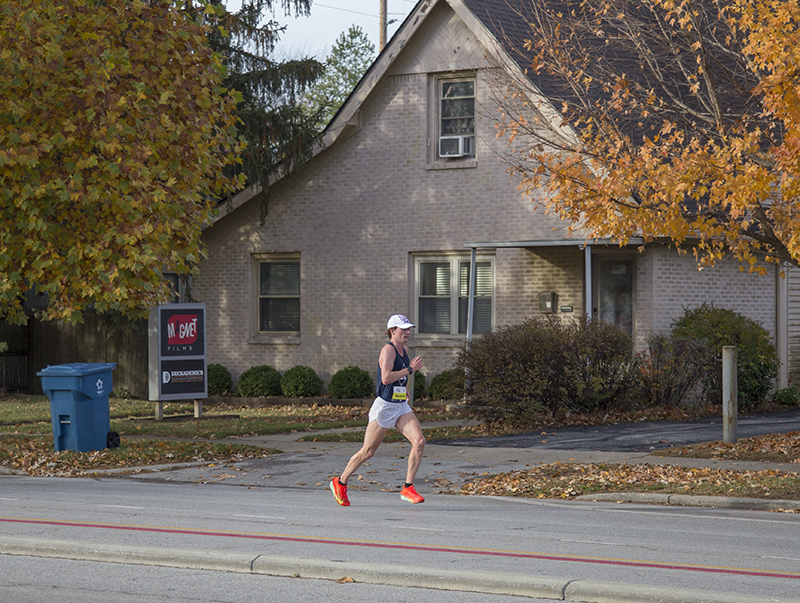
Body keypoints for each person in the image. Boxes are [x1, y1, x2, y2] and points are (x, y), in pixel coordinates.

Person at [330, 314, 426, 506]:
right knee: (368, 452)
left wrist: (405, 388)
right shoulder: (387, 351)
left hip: (399, 406)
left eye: (408, 329)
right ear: (392, 331)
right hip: (384, 407)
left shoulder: (404, 350)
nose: (407, 332)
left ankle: (408, 487)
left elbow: (398, 378)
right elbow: (386, 378)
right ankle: (340, 482)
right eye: (403, 329)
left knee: (419, 441)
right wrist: (410, 370)